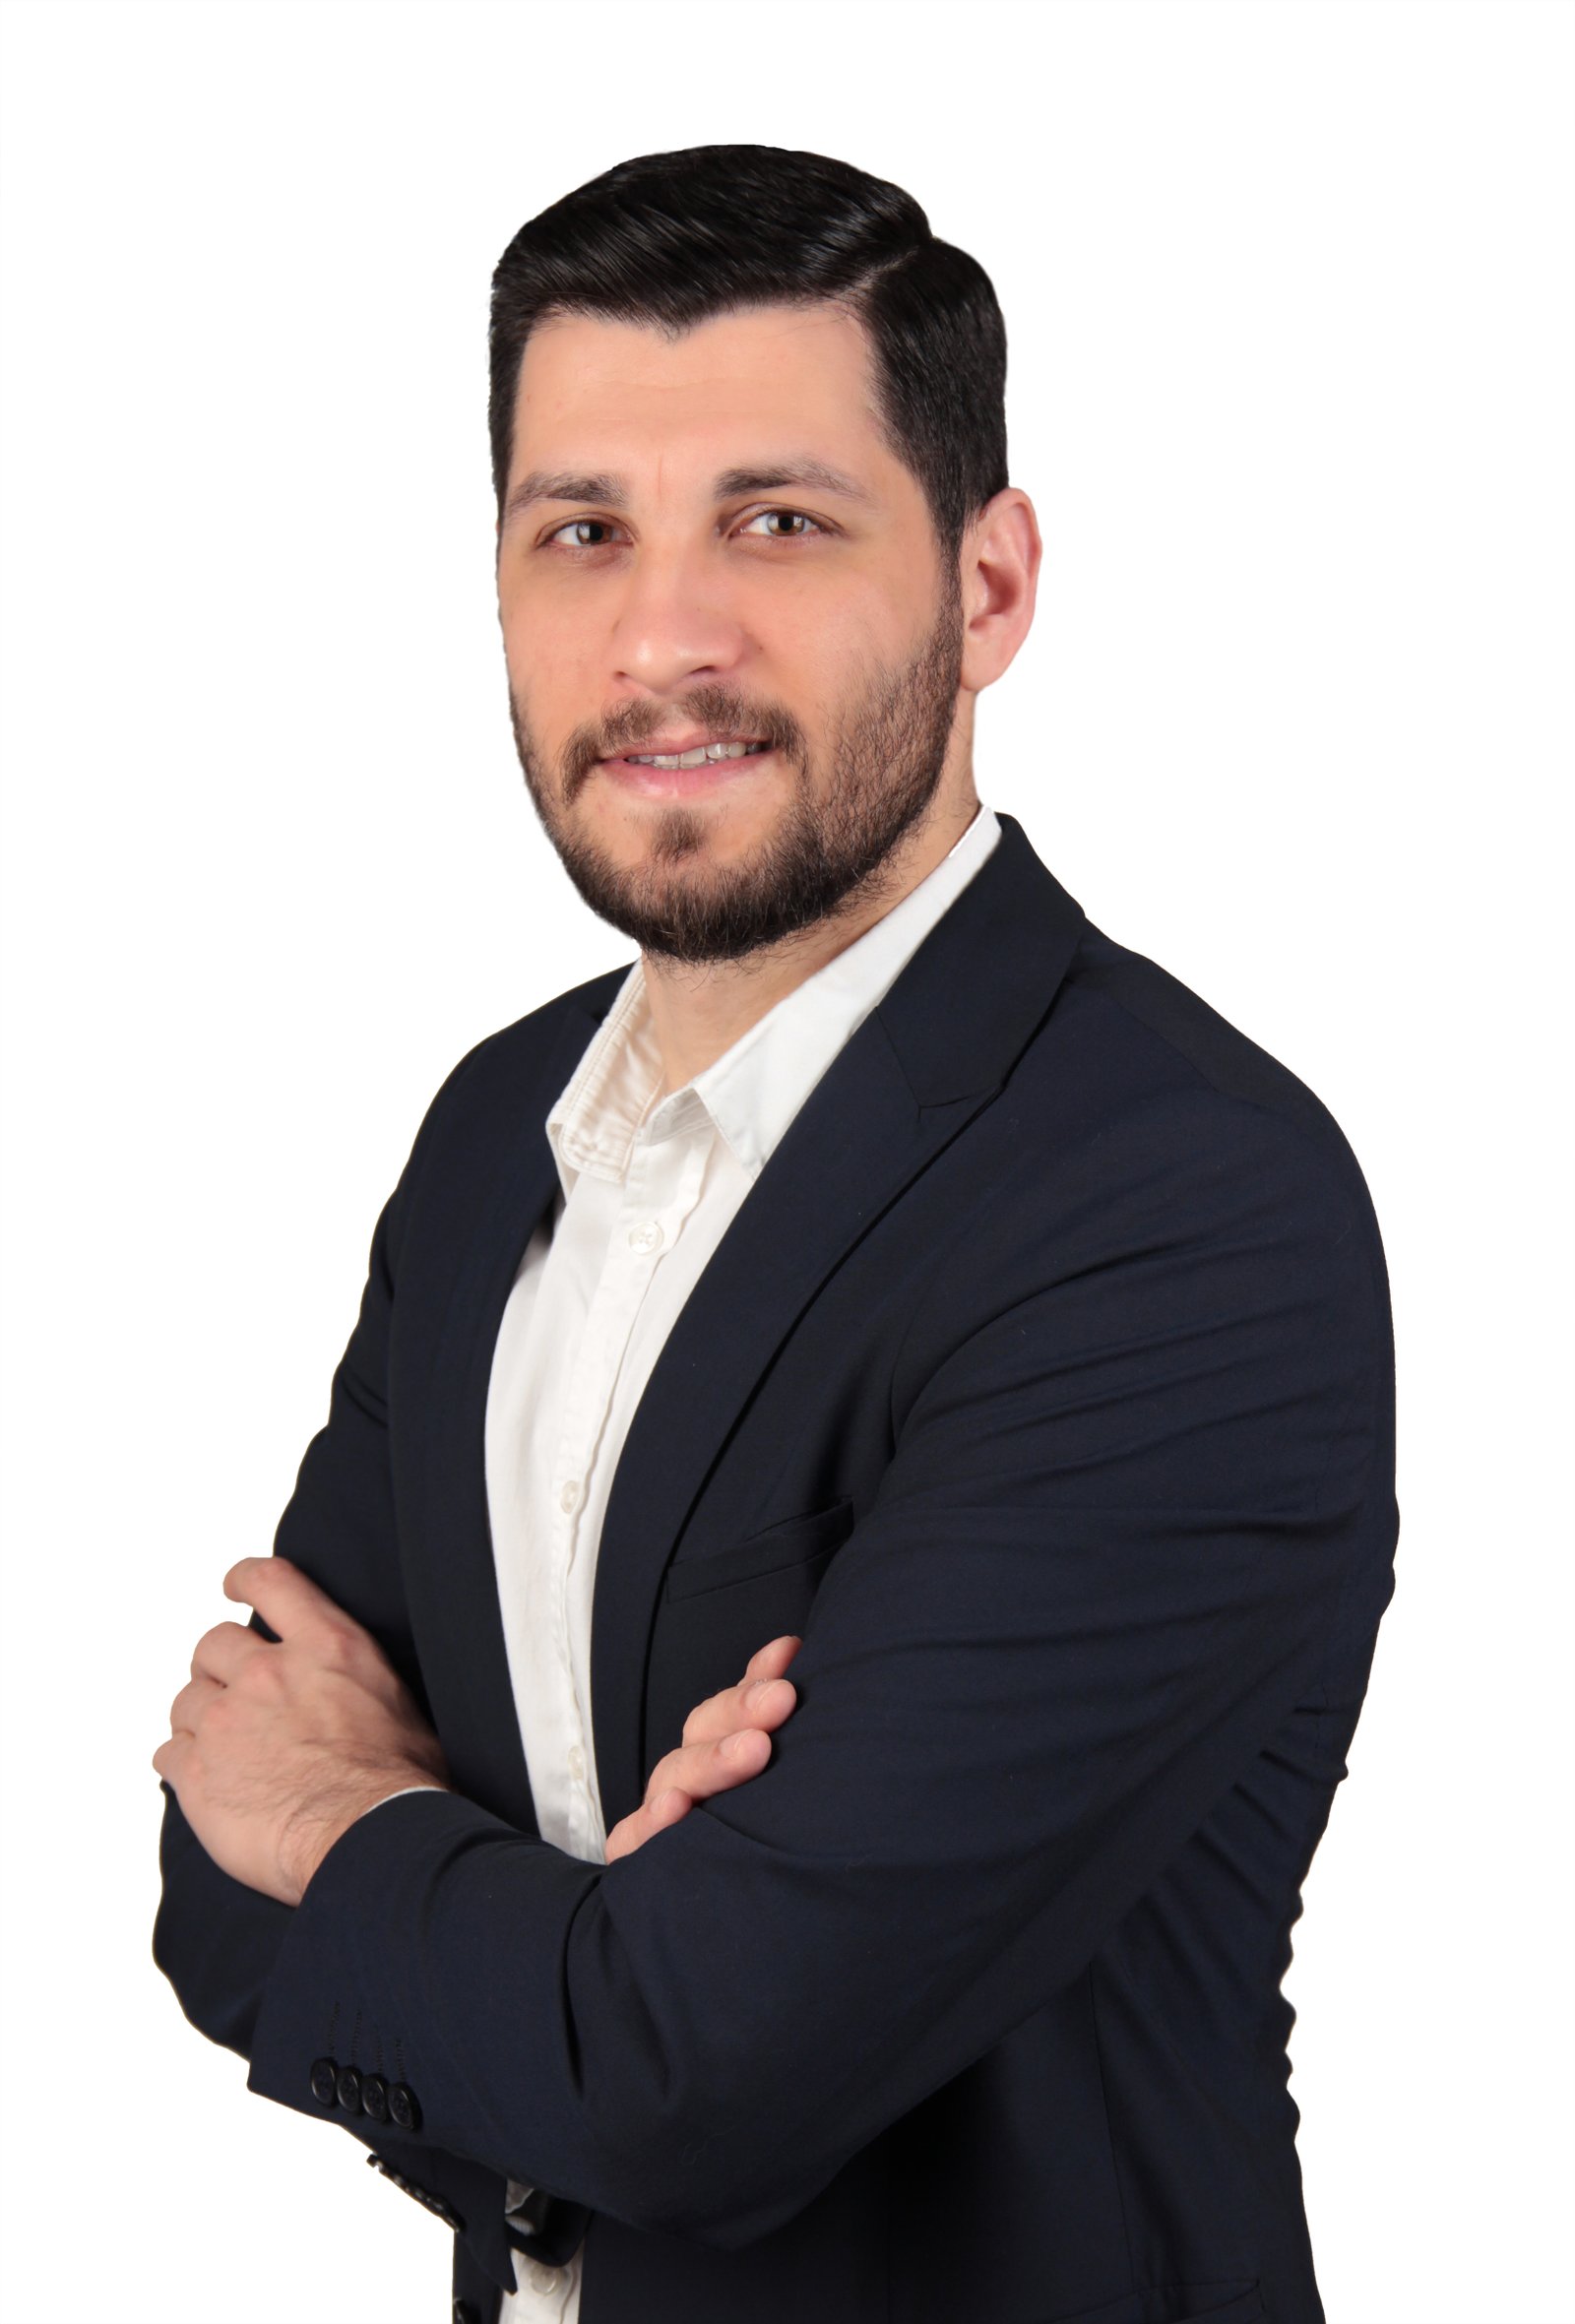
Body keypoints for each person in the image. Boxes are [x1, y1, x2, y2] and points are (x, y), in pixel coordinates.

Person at [151, 145, 1399, 2324]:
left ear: (986, 586)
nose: (663, 639)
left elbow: (697, 2064)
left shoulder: (1179, 1204)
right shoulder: (493, 1133)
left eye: (778, 522)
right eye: (582, 532)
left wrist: (368, 1835)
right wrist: (585, 1984)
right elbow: (210, 1889)